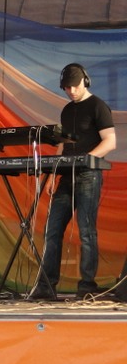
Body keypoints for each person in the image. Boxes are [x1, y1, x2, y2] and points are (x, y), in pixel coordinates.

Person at [30, 63, 116, 300]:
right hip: (66, 177)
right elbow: (62, 144)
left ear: (85, 82)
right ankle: (46, 286)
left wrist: (86, 159)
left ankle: (87, 287)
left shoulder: (98, 106)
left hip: (88, 175)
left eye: (74, 86)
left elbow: (110, 141)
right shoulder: (67, 111)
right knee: (52, 230)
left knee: (86, 232)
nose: (71, 91)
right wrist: (53, 174)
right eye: (66, 88)